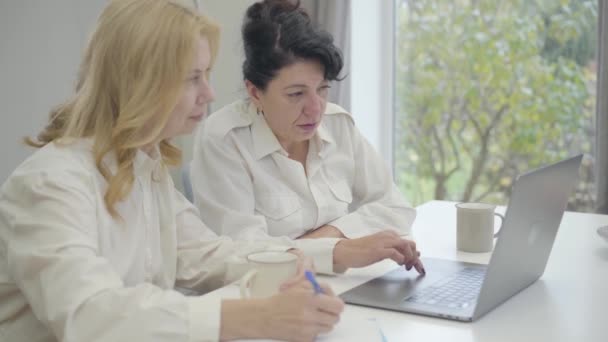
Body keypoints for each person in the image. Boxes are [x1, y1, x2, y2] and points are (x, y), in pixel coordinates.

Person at [0, 1, 344, 341]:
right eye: (194, 78)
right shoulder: (48, 184)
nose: (209, 94)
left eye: (206, 75)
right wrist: (259, 317)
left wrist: (291, 264)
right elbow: (90, 314)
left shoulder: (143, 169)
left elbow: (204, 256)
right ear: (140, 82)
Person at [191, 0, 424, 275]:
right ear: (255, 93)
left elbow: (396, 207)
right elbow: (244, 253)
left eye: (322, 89)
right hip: (267, 296)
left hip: (341, 286)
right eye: (296, 94)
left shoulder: (338, 125)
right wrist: (340, 250)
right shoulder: (225, 138)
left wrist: (330, 235)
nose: (316, 109)